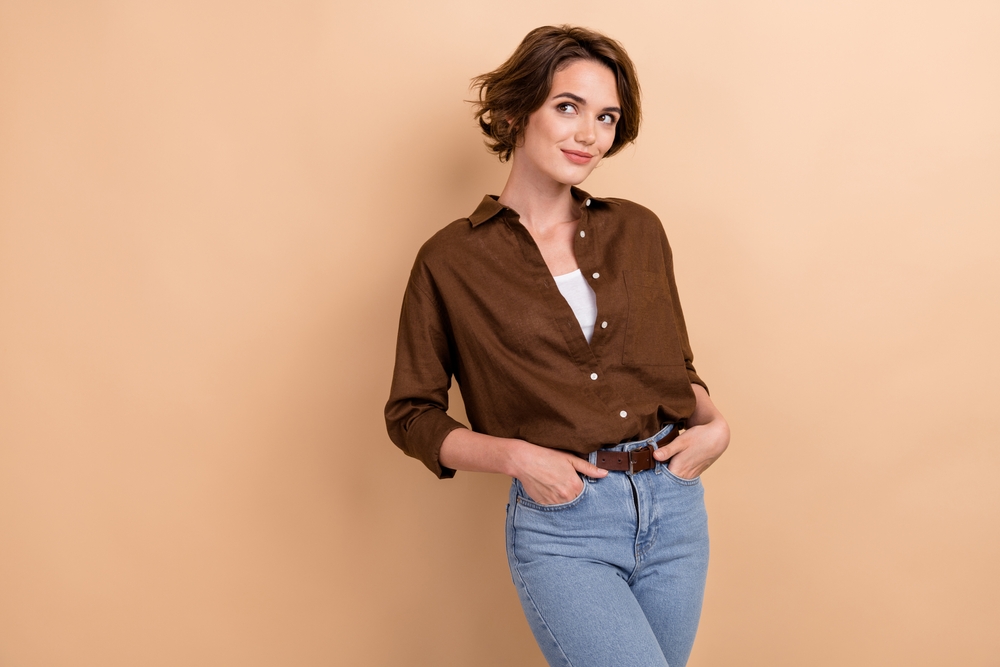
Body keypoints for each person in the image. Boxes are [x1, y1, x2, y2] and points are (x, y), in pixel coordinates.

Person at [385, 25, 730, 667]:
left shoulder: (639, 230)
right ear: (518, 111)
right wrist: (518, 457)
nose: (588, 134)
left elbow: (675, 371)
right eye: (567, 107)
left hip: (675, 507)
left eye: (606, 117)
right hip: (565, 524)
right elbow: (411, 416)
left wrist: (715, 426)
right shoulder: (451, 261)